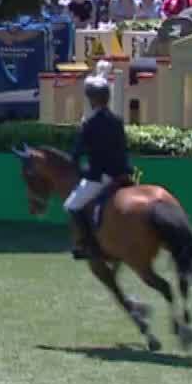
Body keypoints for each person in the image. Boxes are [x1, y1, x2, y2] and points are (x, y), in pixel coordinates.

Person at [65, 74, 132, 261]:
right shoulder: (117, 121)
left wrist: (79, 167)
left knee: (72, 205)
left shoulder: (90, 123)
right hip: (123, 175)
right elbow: (122, 149)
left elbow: (77, 154)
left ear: (92, 99)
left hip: (100, 177)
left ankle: (86, 245)